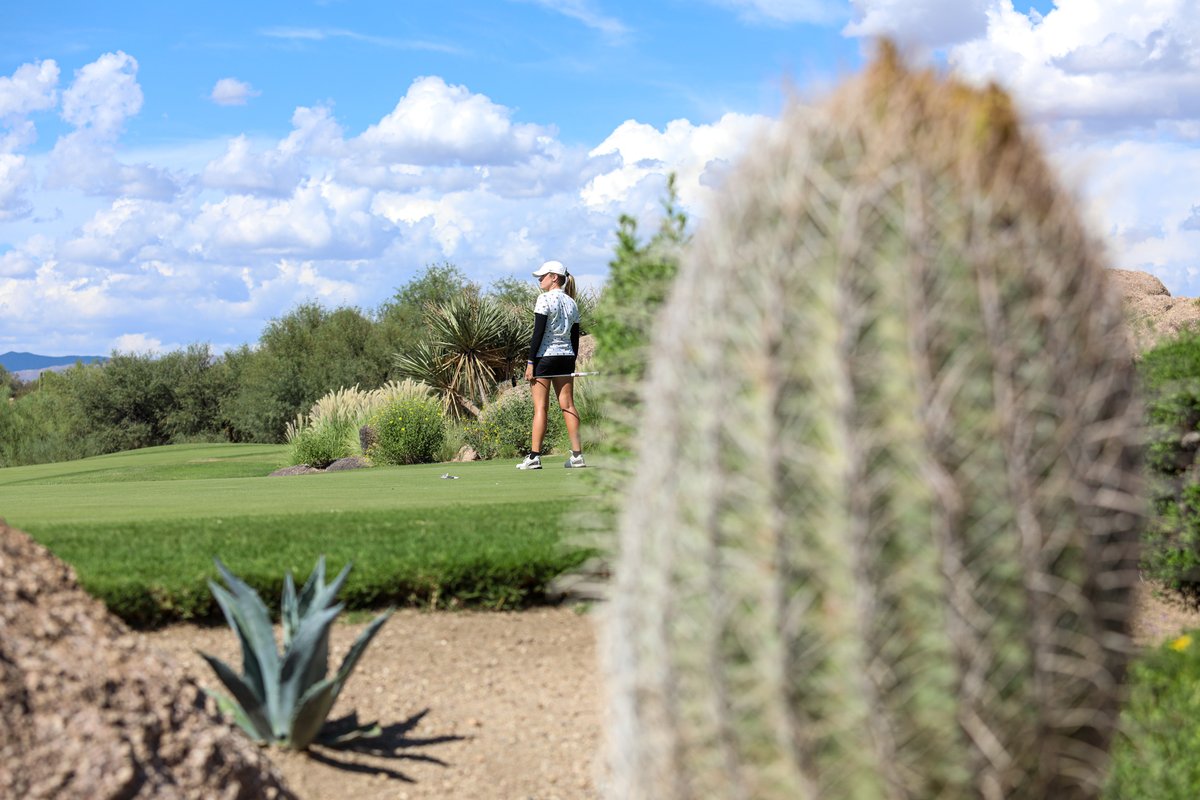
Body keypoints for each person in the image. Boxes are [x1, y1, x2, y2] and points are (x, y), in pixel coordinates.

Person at [516, 259, 586, 470]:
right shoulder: (572, 302)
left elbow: (537, 335)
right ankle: (577, 456)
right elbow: (574, 337)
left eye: (543, 276)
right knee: (568, 405)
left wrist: (530, 363)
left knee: (540, 407)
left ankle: (534, 457)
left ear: (554, 277)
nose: (540, 279)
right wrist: (571, 361)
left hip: (544, 358)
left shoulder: (544, 299)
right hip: (565, 357)